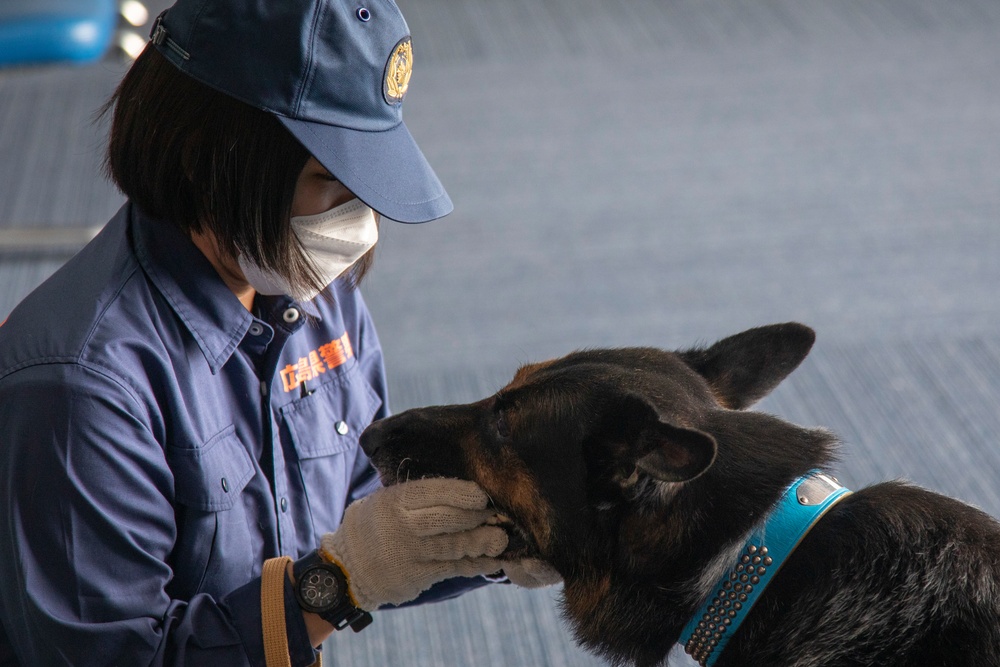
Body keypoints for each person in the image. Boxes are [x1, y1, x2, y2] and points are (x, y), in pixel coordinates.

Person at [0, 1, 558, 665]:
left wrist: (510, 531)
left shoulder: (306, 286)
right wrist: (336, 585)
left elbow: (363, 517)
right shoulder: (83, 388)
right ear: (213, 156)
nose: (361, 217)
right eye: (330, 179)